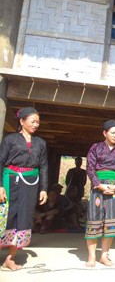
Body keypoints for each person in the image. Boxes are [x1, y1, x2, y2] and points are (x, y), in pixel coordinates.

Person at [0, 106, 48, 270]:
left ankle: (10, 258)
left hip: (30, 183)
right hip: (10, 181)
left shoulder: (40, 143)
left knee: (24, 217)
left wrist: (43, 188)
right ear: (22, 121)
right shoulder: (10, 139)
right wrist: (0, 186)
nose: (36, 125)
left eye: (37, 122)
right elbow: (0, 162)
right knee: (6, 215)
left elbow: (44, 166)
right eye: (32, 121)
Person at [85, 120, 115, 267]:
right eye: (113, 132)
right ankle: (91, 256)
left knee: (111, 221)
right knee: (94, 220)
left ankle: (104, 255)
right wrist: (99, 184)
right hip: (98, 187)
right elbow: (90, 168)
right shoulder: (95, 148)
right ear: (105, 133)